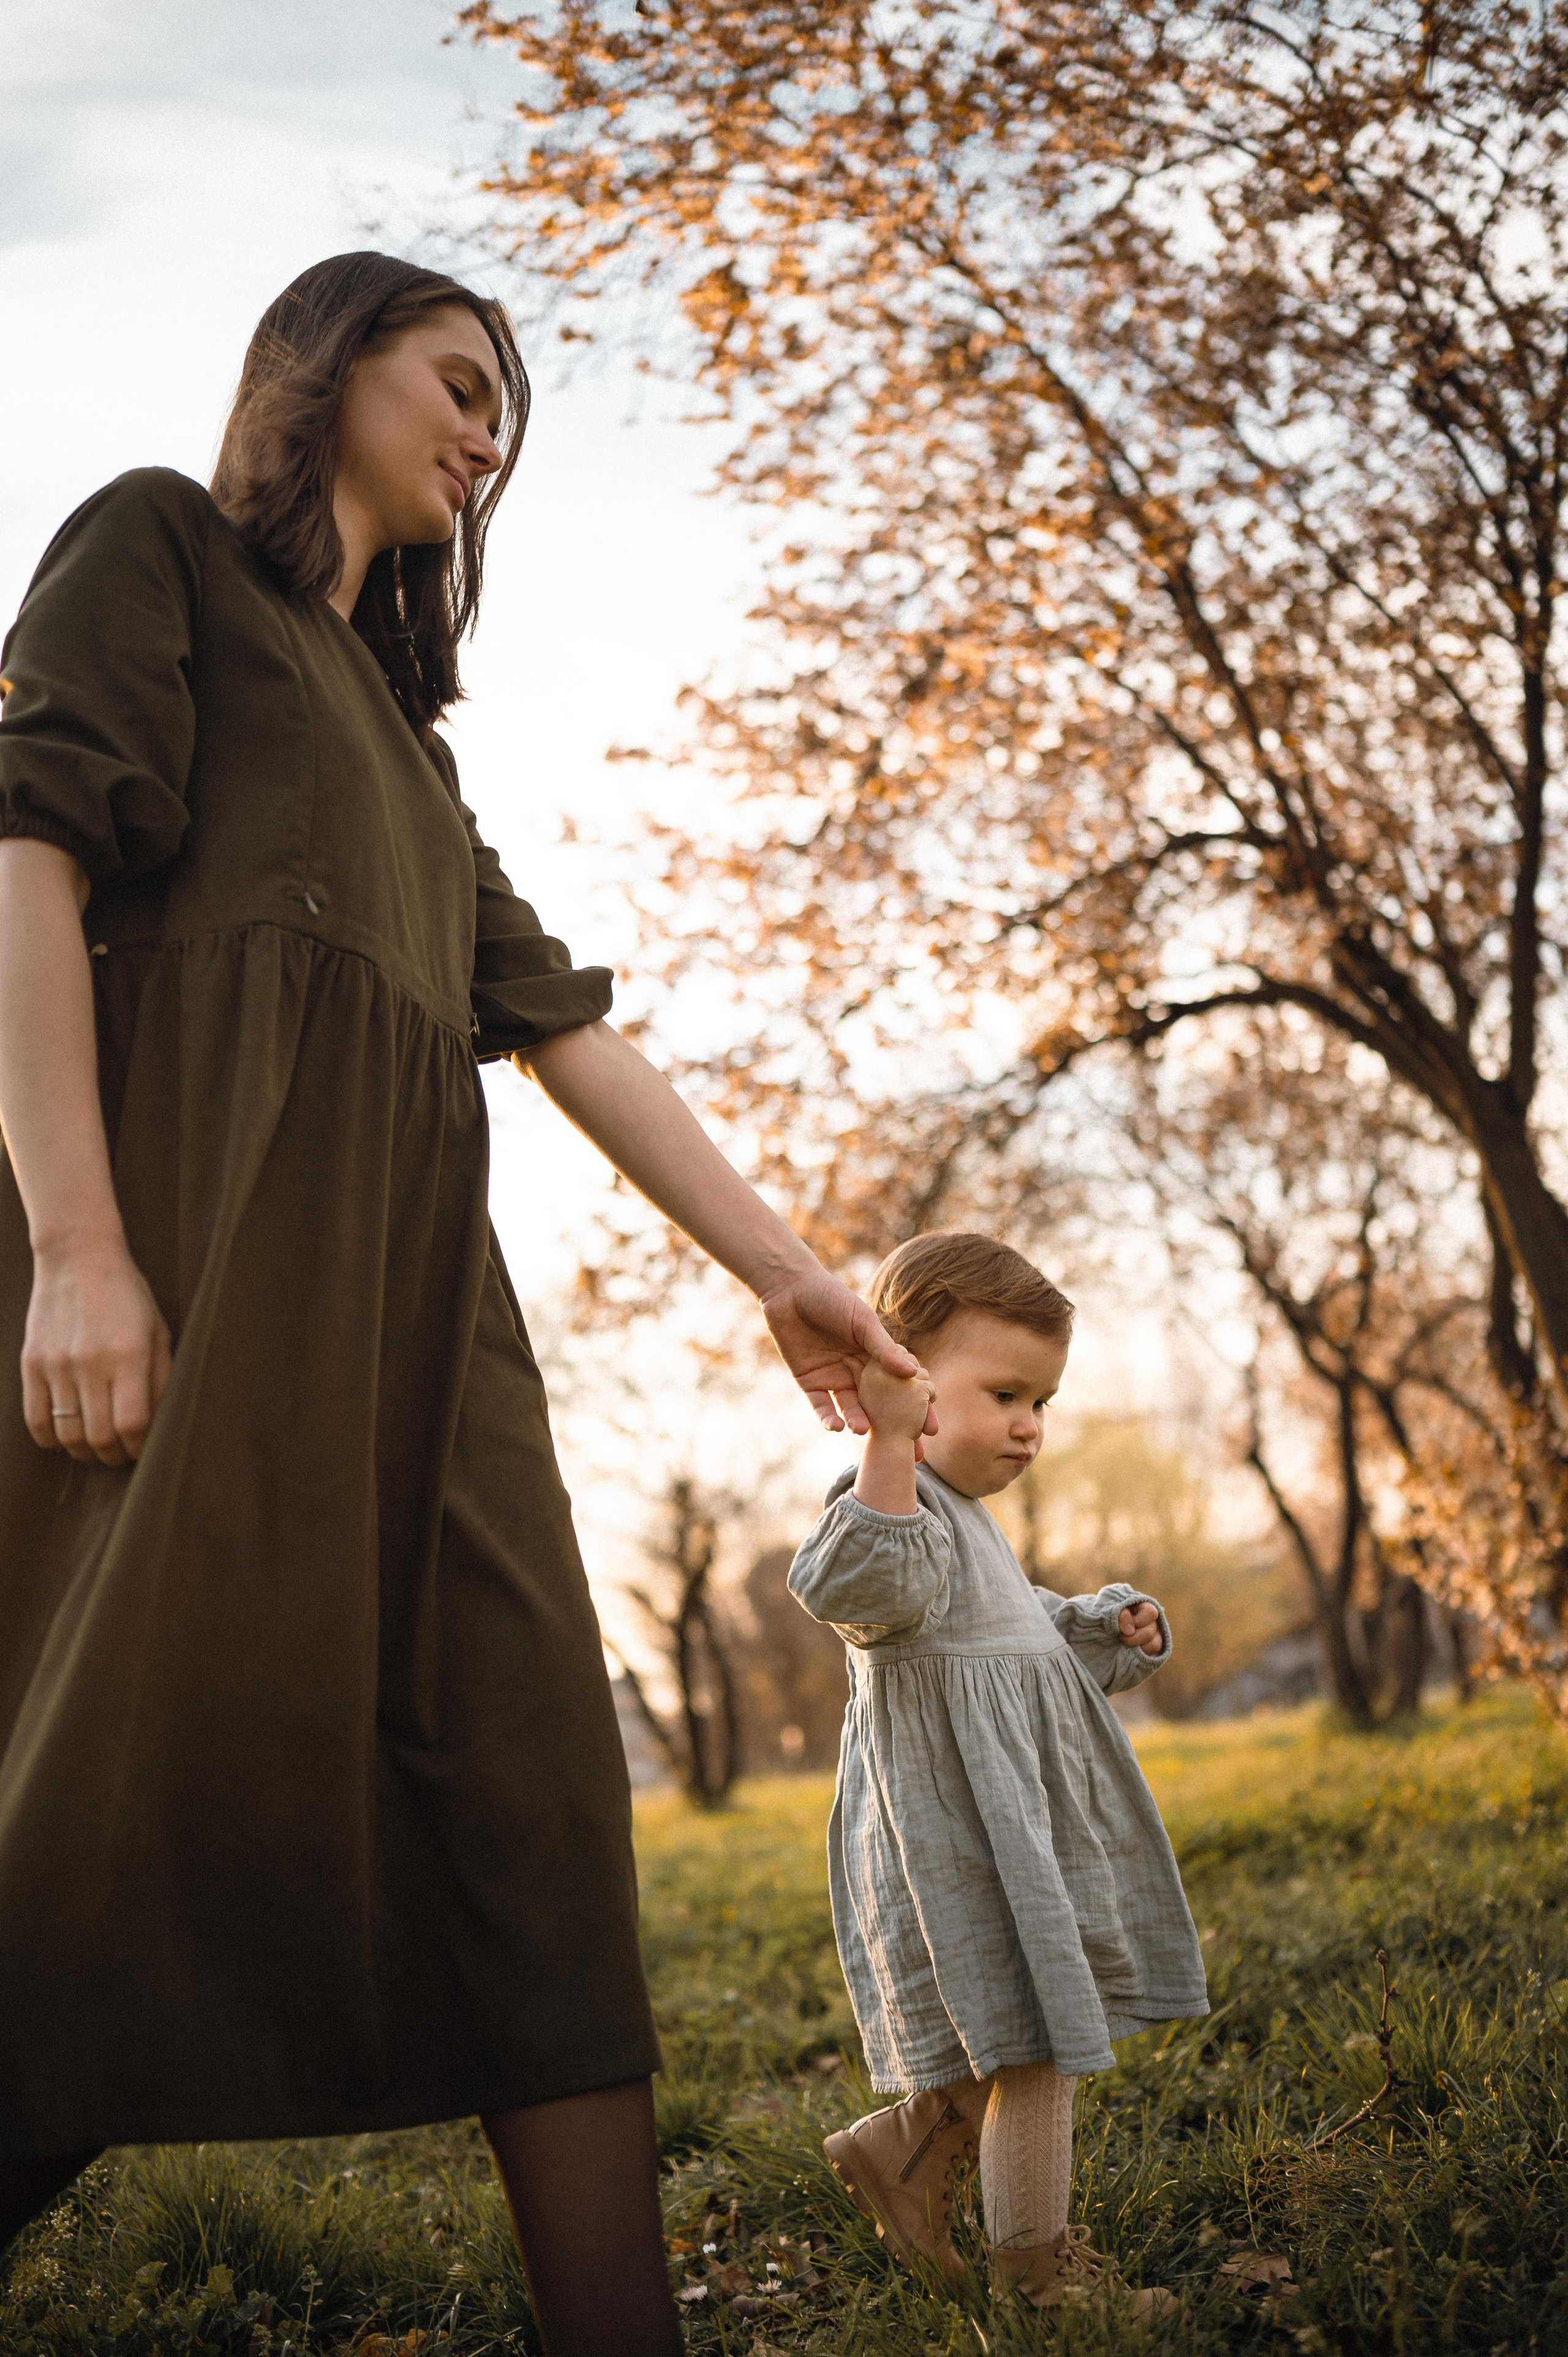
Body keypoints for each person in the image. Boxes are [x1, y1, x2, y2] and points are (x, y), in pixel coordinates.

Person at [0, 251, 922, 2357]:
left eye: (508, 404)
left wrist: (794, 1272)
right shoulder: (154, 548)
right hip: (198, 1293)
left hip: (438, 1346)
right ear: (329, 367)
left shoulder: (409, 749)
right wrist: (76, 1239)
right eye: (460, 376)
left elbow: (569, 1033)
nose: (490, 424)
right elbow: (24, 856)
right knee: (108, 1820)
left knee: (536, 1793)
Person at [788, 1231, 1209, 2318]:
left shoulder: (966, 1524)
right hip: (960, 1842)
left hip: (1010, 1834)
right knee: (1035, 2048)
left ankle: (905, 2151)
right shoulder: (895, 1504)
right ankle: (1040, 2277)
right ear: (907, 1382)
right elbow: (856, 1586)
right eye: (1008, 1393)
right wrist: (886, 1441)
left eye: (1045, 1403)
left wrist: (1106, 1628)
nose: (1030, 1425)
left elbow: (1021, 1665)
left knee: (1024, 2029)